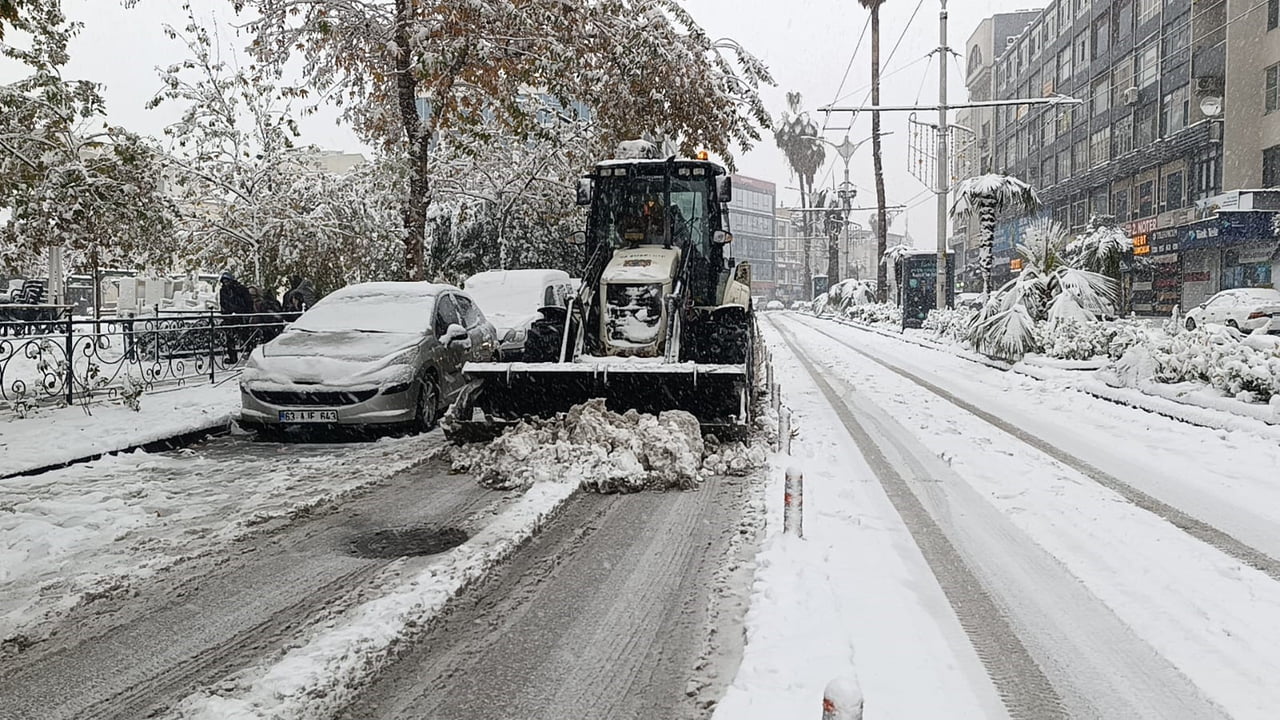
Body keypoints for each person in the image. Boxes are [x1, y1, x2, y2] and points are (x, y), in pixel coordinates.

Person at [218, 270, 254, 364]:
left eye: (227, 281)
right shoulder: (223, 291)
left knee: (245, 335)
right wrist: (225, 314)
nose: (226, 283)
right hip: (230, 317)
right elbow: (223, 303)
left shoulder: (240, 289)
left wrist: (246, 313)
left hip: (241, 315)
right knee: (230, 338)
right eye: (224, 282)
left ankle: (250, 354)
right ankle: (233, 357)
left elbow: (248, 302)